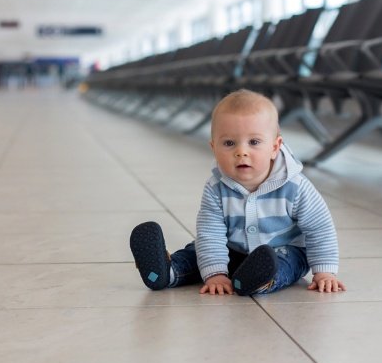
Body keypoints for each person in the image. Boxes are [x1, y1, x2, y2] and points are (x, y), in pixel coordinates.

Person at [130, 89, 346, 296]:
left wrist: (324, 271)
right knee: (197, 251)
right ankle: (166, 272)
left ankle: (261, 281)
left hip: (282, 250)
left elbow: (320, 228)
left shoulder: (296, 186)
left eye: (254, 142)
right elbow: (210, 233)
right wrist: (215, 273)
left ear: (274, 147)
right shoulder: (216, 188)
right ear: (213, 147)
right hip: (232, 248)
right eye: (229, 143)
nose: (241, 151)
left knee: (286, 263)